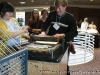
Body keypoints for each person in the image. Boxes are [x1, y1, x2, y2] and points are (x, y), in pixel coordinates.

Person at [39, 0, 78, 75]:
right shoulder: (51, 14)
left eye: (59, 8)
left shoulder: (70, 17)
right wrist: (43, 31)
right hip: (51, 42)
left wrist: (63, 35)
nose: (57, 10)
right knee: (50, 61)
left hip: (64, 43)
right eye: (56, 7)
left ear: (65, 7)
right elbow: (45, 24)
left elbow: (74, 32)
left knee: (63, 63)